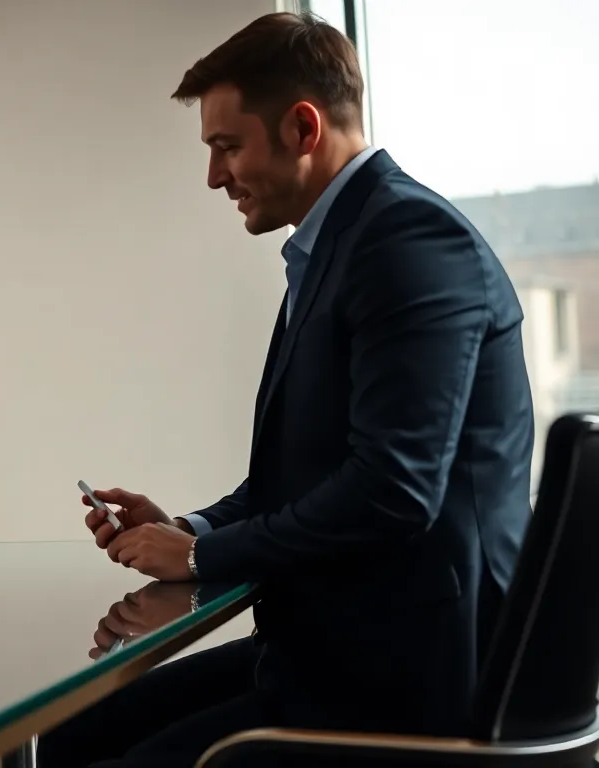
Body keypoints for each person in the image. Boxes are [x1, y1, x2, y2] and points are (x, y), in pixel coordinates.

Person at [39, 12, 533, 768]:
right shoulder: (342, 245)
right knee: (63, 740)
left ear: (303, 127)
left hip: (409, 682)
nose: (214, 176)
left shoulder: (408, 244)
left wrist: (202, 561)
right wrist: (193, 532)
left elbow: (392, 493)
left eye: (226, 147)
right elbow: (309, 479)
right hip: (336, 651)